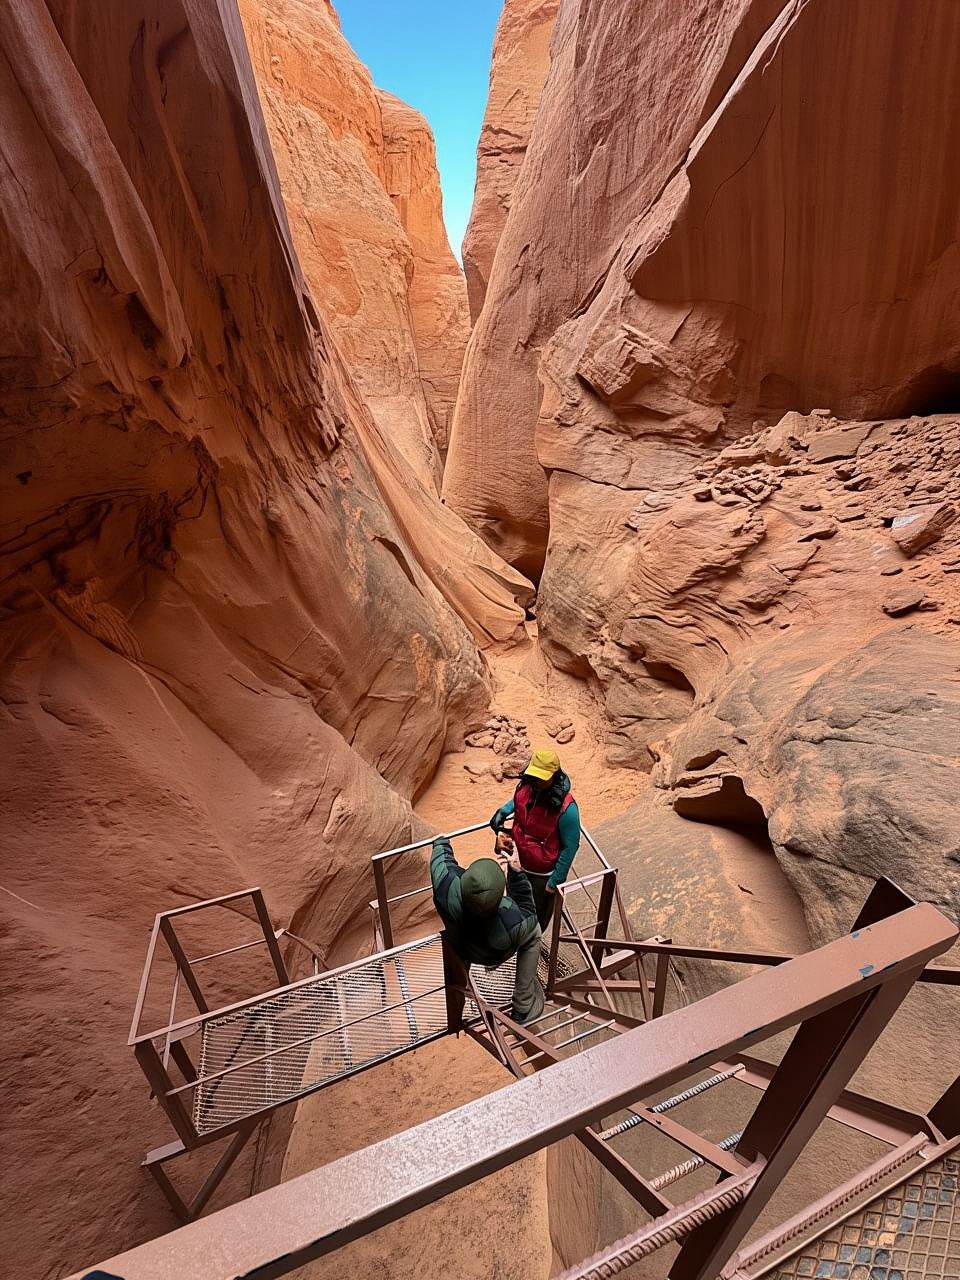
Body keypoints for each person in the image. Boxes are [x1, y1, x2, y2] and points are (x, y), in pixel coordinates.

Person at [431, 836, 545, 1024]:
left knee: (456, 969)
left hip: (461, 947)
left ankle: (456, 1015)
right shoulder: (510, 917)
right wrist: (516, 873)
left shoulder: (446, 887)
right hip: (493, 953)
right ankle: (522, 1007)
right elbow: (529, 914)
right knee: (533, 934)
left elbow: (440, 858)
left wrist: (442, 842)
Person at [489, 748, 581, 930]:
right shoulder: (528, 785)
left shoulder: (567, 809)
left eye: (542, 778)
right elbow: (519, 800)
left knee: (536, 919)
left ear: (554, 776)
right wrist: (504, 811)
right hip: (518, 862)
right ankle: (514, 935)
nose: (537, 781)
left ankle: (531, 945)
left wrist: (555, 881)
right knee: (515, 905)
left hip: (542, 875)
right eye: (535, 776)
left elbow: (570, 847)